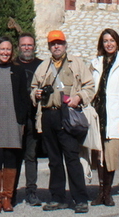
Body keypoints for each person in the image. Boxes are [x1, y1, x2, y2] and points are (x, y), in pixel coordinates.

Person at [31, 30, 95, 213]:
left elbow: (90, 86)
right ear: (49, 46)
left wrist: (79, 97)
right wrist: (35, 94)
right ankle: (57, 198)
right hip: (48, 116)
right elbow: (34, 87)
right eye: (53, 44)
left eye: (59, 43)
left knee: (72, 158)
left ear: (65, 45)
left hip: (68, 114)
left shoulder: (76, 63)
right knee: (54, 160)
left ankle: (80, 199)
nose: (56, 46)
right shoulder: (43, 66)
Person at [0, 37, 31, 213]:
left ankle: (7, 197)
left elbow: (24, 98)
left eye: (8, 49)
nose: (5, 52)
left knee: (11, 159)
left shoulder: (18, 71)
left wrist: (21, 121)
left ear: (12, 51)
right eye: (2, 49)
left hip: (13, 120)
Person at [89, 28, 119, 206]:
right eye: (106, 41)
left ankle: (108, 192)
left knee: (111, 155)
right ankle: (100, 192)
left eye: (112, 40)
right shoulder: (95, 63)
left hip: (115, 114)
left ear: (117, 43)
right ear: (102, 44)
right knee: (99, 155)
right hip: (97, 114)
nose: (109, 44)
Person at [14, 33, 44, 206]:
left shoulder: (41, 65)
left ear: (34, 46)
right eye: (23, 45)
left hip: (34, 117)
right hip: (15, 119)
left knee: (31, 156)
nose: (27, 48)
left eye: (30, 45)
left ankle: (31, 192)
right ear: (19, 47)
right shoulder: (12, 65)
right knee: (14, 157)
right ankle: (11, 193)